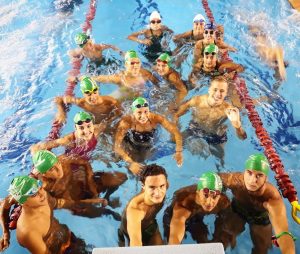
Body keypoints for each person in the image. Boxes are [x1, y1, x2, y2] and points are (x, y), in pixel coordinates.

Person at [218, 154, 296, 254]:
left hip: (260, 218)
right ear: (244, 173)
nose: (252, 180)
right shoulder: (235, 181)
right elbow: (214, 179)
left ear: (266, 178)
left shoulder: (271, 197)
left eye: (259, 175)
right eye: (249, 173)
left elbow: (283, 233)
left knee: (261, 249)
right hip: (238, 210)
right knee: (226, 235)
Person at [0, 176, 89, 253]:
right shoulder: (28, 232)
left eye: (40, 187)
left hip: (69, 236)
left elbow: (6, 202)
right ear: (22, 202)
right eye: (34, 194)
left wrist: (5, 233)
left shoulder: (41, 197)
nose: (42, 194)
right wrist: (6, 233)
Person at [174, 76, 247, 166]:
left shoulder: (229, 110)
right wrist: (176, 127)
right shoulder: (197, 101)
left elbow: (242, 138)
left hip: (216, 136)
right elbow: (176, 114)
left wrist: (238, 127)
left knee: (220, 161)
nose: (218, 94)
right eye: (215, 89)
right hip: (195, 129)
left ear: (226, 93)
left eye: (222, 91)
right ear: (209, 89)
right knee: (174, 142)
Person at [114, 97, 183, 175]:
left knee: (142, 161)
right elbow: (117, 146)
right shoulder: (126, 122)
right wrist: (130, 162)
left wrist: (179, 151)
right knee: (119, 159)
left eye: (146, 111)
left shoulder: (156, 118)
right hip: (129, 141)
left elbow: (175, 132)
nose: (143, 116)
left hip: (147, 142)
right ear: (133, 113)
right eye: (139, 112)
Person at [163, 171, 230, 245]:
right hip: (173, 217)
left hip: (196, 217)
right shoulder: (184, 203)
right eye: (206, 195)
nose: (209, 202)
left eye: (214, 197)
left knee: (204, 242)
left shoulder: (223, 202)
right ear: (198, 192)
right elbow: (175, 233)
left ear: (219, 196)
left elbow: (223, 221)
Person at [118, 164, 168, 246]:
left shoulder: (163, 183)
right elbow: (135, 244)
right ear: (143, 186)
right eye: (152, 187)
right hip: (129, 235)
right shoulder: (135, 210)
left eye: (162, 186)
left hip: (150, 227)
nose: (158, 193)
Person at [91, 50, 159, 101]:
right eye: (132, 63)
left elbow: (157, 83)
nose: (135, 66)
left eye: (137, 63)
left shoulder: (145, 73)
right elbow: (104, 78)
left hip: (145, 97)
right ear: (126, 64)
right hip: (127, 96)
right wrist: (87, 78)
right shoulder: (120, 77)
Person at [55, 76, 122, 127]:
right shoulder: (81, 103)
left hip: (110, 124)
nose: (93, 97)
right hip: (95, 126)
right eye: (88, 94)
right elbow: (59, 99)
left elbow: (121, 113)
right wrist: (61, 113)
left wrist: (106, 123)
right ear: (83, 94)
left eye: (95, 92)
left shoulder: (110, 101)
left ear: (98, 90)